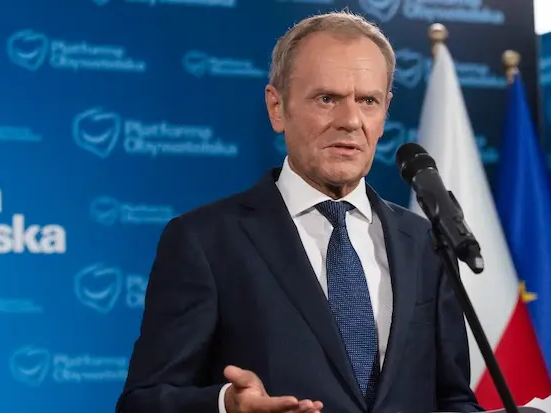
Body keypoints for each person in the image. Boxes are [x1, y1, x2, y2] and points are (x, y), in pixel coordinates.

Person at [116, 10, 484, 413]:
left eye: (368, 101)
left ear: (384, 112)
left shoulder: (425, 243)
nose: (350, 121)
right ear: (277, 107)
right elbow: (143, 402)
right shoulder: (206, 242)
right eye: (327, 99)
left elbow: (453, 398)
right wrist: (226, 405)